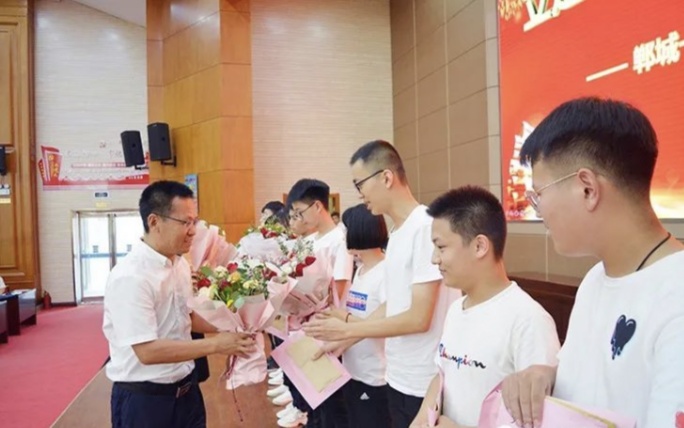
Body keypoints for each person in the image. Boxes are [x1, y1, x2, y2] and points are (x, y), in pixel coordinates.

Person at [500, 97, 684, 428]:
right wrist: (547, 376)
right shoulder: (595, 279)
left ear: (587, 188)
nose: (538, 211)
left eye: (539, 195)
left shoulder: (676, 298)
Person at [304, 140, 449, 428]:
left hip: (423, 379)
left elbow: (419, 318)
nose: (359, 194)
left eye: (359, 184)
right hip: (398, 375)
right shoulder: (397, 234)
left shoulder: (425, 227)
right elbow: (394, 305)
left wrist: (349, 328)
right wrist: (345, 338)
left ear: (386, 177)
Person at [103, 180, 256, 428]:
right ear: (154, 222)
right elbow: (147, 351)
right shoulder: (131, 276)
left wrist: (234, 326)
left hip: (187, 393)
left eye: (194, 221)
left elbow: (187, 316)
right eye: (185, 222)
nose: (193, 231)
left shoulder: (180, 264)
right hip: (146, 402)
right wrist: (216, 344)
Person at [410, 186, 559, 428]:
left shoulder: (529, 321)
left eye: (441, 247)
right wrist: (420, 419)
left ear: (479, 246)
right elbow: (443, 375)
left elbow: (539, 420)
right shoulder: (456, 310)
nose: (434, 259)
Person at [317, 204, 391, 428]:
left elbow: (385, 325)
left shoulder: (386, 272)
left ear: (360, 230)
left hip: (374, 375)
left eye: (346, 230)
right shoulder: (361, 271)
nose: (344, 237)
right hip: (353, 370)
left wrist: (343, 331)